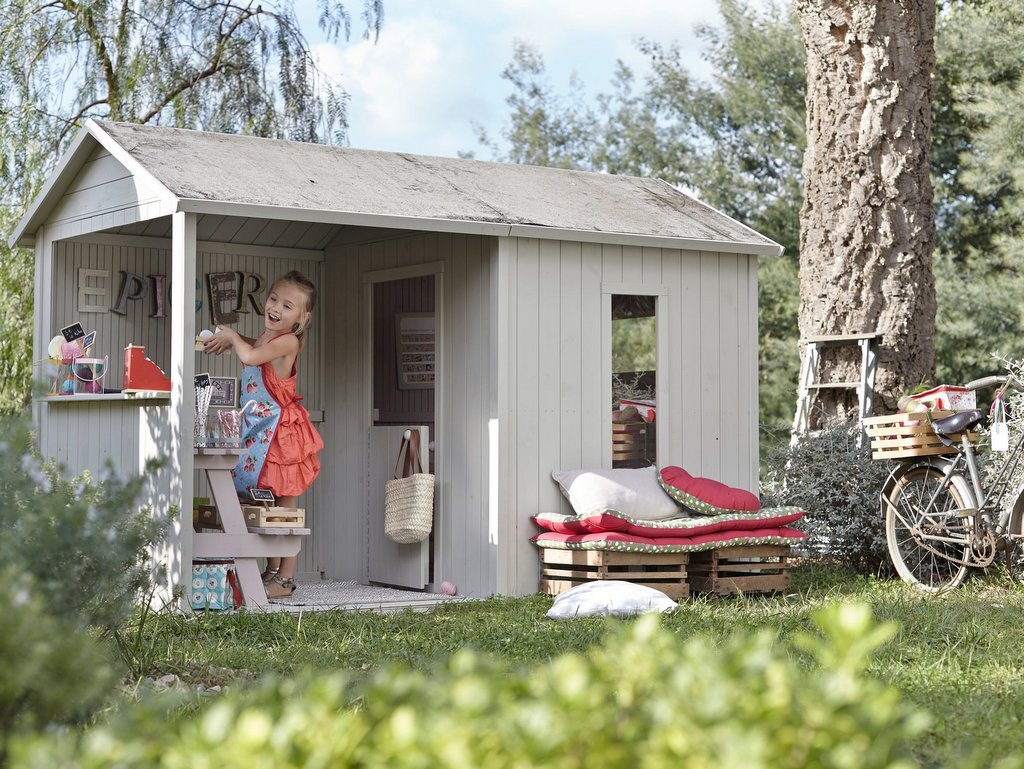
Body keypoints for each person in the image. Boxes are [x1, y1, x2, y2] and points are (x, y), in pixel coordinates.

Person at [205, 270, 324, 598]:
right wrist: (228, 338)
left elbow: (251, 356)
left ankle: (285, 578)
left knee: (285, 507)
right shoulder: (265, 335)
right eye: (273, 299)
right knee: (267, 504)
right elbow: (249, 346)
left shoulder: (287, 340)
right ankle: (271, 571)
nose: (276, 308)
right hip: (260, 429)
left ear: (302, 318)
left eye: (287, 306)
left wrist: (233, 338)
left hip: (281, 432)